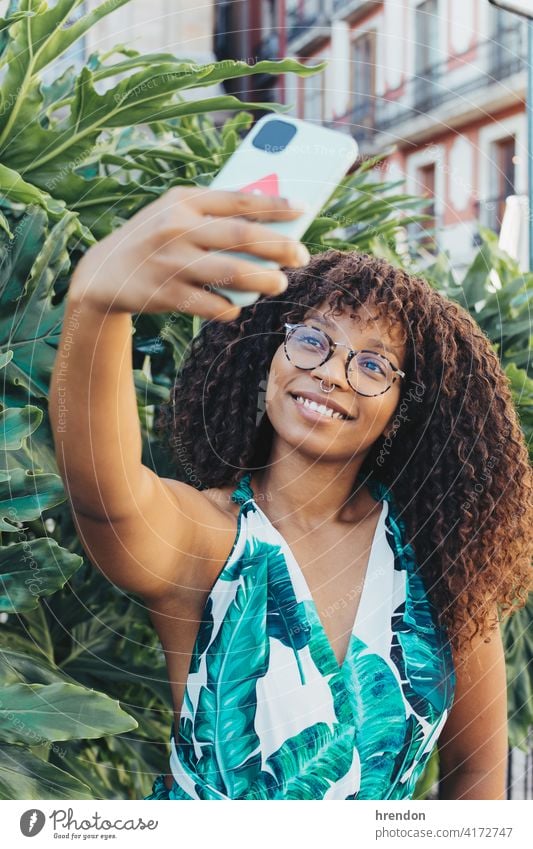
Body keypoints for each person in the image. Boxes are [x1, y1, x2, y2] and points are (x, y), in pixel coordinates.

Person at [49, 186, 533, 801]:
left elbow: (478, 773)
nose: (330, 371)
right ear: (272, 354)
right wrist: (100, 306)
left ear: (405, 409)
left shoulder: (440, 562)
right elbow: (105, 495)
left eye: (374, 365)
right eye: (312, 339)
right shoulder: (213, 537)